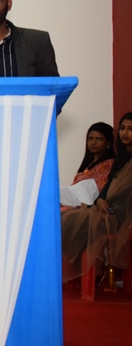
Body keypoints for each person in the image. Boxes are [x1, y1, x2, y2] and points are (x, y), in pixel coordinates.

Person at [61, 112, 132, 281]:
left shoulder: (118, 163)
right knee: (62, 217)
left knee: (69, 218)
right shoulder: (121, 160)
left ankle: (77, 272)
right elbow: (108, 189)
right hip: (104, 208)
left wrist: (103, 203)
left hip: (119, 215)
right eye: (122, 128)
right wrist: (100, 200)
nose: (125, 132)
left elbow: (122, 195)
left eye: (130, 129)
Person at [70, 122, 115, 191]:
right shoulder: (87, 165)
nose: (93, 142)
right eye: (90, 138)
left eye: (98, 139)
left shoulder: (109, 165)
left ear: (108, 142)